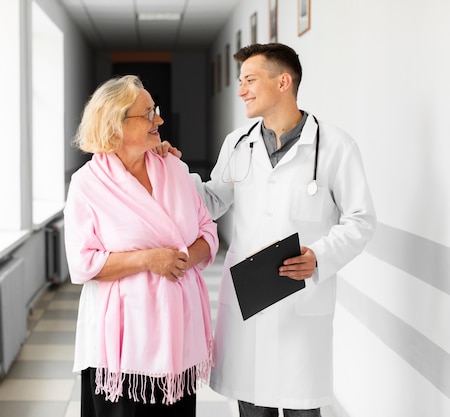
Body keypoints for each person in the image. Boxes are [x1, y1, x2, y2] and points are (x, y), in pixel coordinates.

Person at [158, 43, 376, 416]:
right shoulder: (238, 143)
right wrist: (174, 169)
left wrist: (319, 256)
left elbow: (360, 219)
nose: (241, 89)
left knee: (300, 407)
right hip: (249, 299)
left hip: (300, 301)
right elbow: (212, 202)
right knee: (252, 405)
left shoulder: (335, 147)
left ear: (283, 82)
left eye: (250, 80)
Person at [64, 75, 219, 417]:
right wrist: (149, 260)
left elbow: (207, 231)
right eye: (148, 113)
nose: (159, 120)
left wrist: (181, 259)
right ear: (114, 125)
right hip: (121, 342)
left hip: (176, 332)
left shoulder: (175, 169)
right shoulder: (87, 185)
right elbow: (82, 263)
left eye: (156, 110)